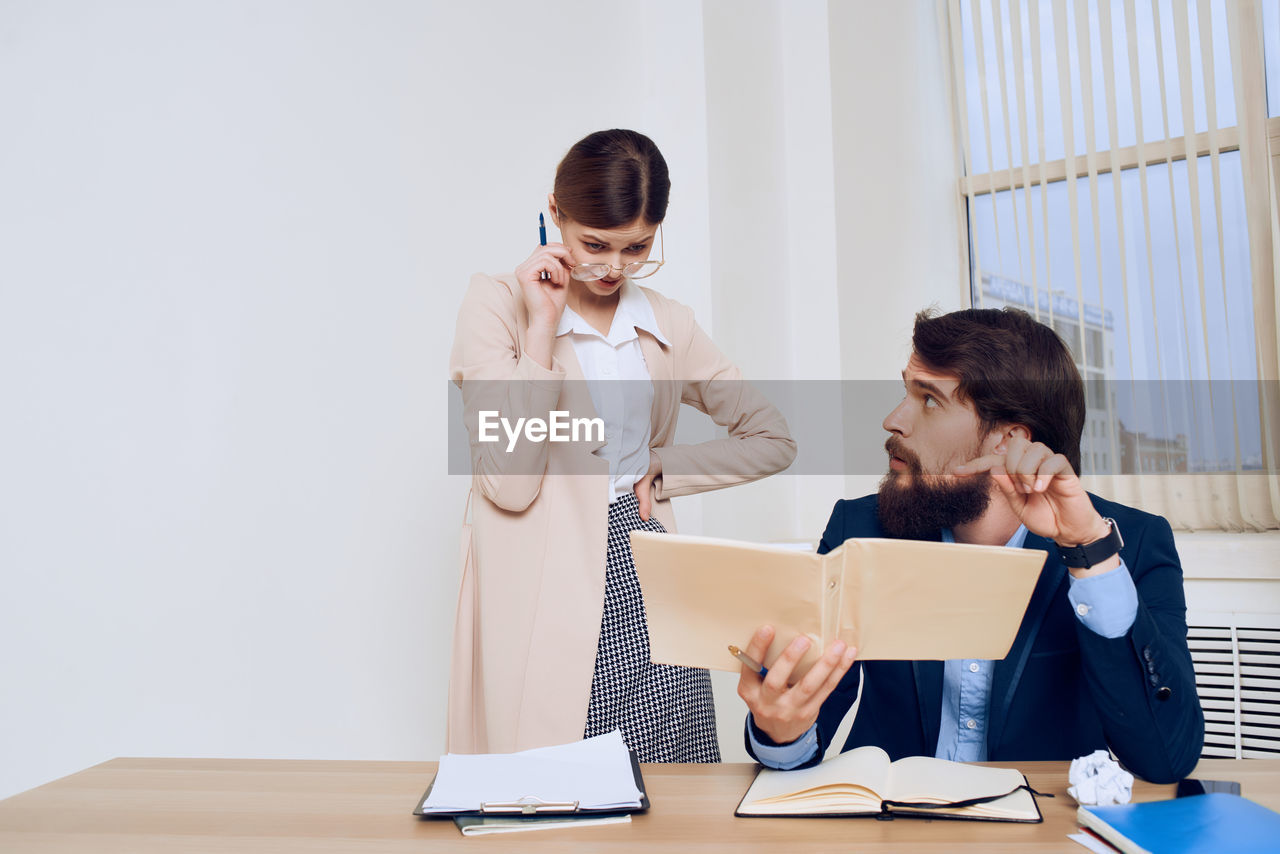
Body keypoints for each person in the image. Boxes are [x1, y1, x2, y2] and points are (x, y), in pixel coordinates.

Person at [737, 307, 1204, 784]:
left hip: (1042, 835)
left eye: (930, 401)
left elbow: (1165, 758)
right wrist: (783, 733)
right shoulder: (859, 529)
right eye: (906, 391)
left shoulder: (1127, 544)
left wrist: (1089, 554)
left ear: (1006, 440)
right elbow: (801, 728)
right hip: (889, 831)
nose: (893, 420)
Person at [448, 129, 796, 762]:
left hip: (647, 571)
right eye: (595, 245)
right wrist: (544, 324)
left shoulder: (668, 322)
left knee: (664, 789)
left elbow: (773, 438)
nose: (614, 267)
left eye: (637, 247)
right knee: (555, 793)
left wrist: (665, 466)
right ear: (554, 214)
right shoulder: (496, 306)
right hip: (541, 580)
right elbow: (510, 482)